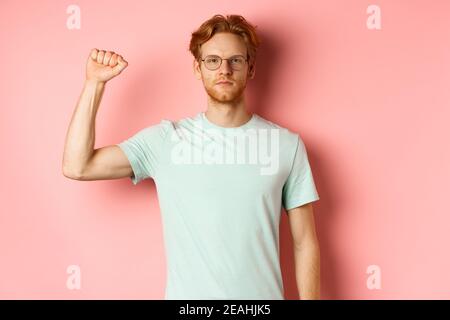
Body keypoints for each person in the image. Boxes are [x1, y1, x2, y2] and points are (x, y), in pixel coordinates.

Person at [62, 14, 321, 300]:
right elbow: (78, 166)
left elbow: (304, 242)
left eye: (235, 60)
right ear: (198, 69)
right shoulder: (165, 141)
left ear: (251, 69)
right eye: (212, 60)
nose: (224, 69)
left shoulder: (286, 145)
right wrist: (94, 84)